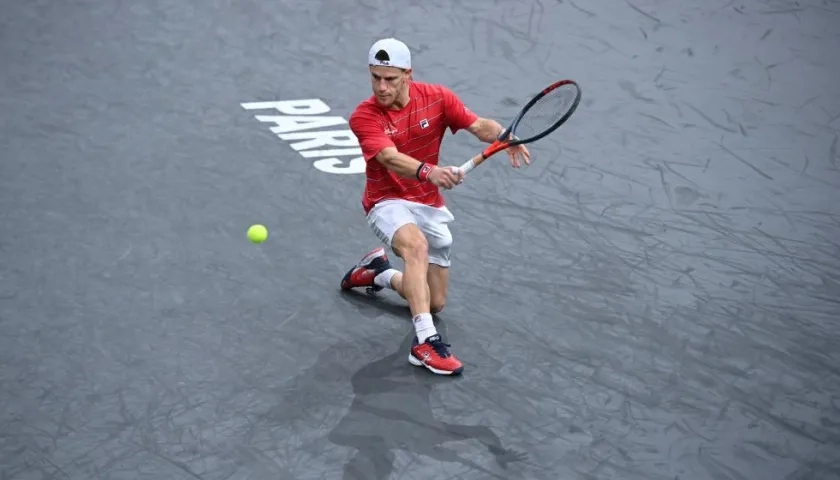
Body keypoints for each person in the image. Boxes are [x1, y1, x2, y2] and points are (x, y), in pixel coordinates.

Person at [340, 38, 530, 376]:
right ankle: (425, 343)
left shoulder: (438, 98)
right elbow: (389, 158)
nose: (382, 87)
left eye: (391, 78)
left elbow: (477, 125)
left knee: (433, 301)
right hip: (386, 201)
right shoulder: (365, 116)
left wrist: (504, 134)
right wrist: (430, 172)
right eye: (375, 78)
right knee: (417, 246)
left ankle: (379, 273)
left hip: (427, 204)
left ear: (408, 74)